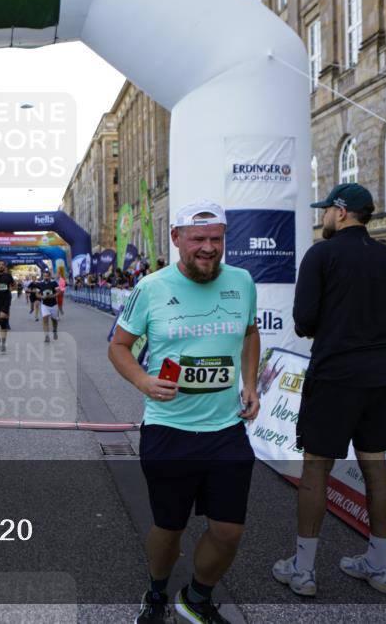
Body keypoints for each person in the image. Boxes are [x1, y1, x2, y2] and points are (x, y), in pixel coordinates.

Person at [108, 200, 259, 624]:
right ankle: (156, 590)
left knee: (229, 530)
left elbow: (250, 333)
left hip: (226, 428)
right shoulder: (152, 287)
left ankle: (196, 597)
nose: (208, 248)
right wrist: (143, 382)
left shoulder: (243, 281)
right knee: (169, 528)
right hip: (169, 428)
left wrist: (250, 383)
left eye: (216, 239)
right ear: (177, 239)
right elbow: (118, 346)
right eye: (198, 239)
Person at [273, 182, 386, 598]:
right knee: (376, 467)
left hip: (335, 374)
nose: (323, 217)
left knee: (316, 468)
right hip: (379, 376)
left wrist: (341, 322)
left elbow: (304, 321)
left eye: (326, 211)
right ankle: (380, 566)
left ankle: (303, 570)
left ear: (340, 212)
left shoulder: (321, 254)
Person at [33, 269, 62, 343]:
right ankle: (46, 336)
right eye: (44, 276)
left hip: (53, 304)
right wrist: (42, 297)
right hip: (45, 305)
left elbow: (59, 292)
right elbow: (36, 294)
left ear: (50, 277)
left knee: (54, 320)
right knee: (45, 319)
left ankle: (55, 330)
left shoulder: (54, 283)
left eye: (47, 276)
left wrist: (53, 296)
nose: (46, 277)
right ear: (43, 276)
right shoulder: (39, 284)